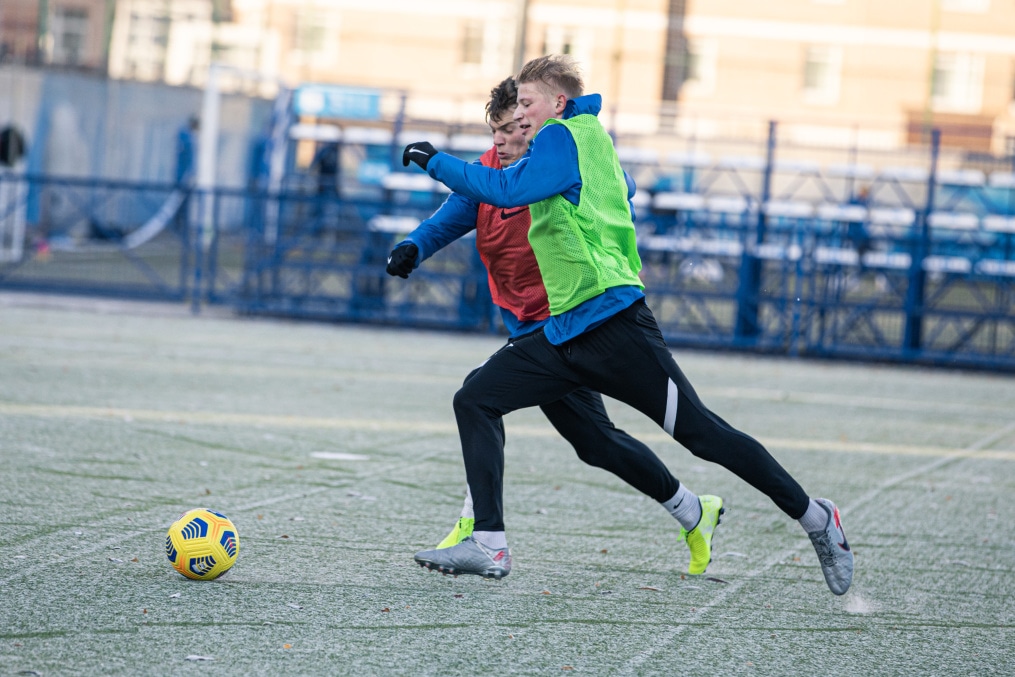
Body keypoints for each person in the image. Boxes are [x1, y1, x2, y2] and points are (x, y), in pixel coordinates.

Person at [403, 55, 853, 595]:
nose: (512, 127)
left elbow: (508, 191)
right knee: (477, 398)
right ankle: (490, 543)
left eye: (523, 111)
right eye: (507, 118)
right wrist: (415, 243)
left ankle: (816, 517)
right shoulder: (555, 144)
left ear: (555, 105)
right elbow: (479, 199)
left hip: (612, 324)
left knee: (703, 435)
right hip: (560, 330)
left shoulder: (564, 139)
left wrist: (433, 159)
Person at [386, 77, 721, 571]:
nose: (498, 140)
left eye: (508, 129)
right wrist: (414, 245)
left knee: (478, 397)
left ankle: (481, 535)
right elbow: (451, 215)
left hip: (574, 325)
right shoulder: (486, 172)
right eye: (493, 131)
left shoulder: (553, 163)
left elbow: (614, 185)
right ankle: (694, 509)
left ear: (532, 124)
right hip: (535, 330)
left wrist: (612, 182)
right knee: (595, 443)